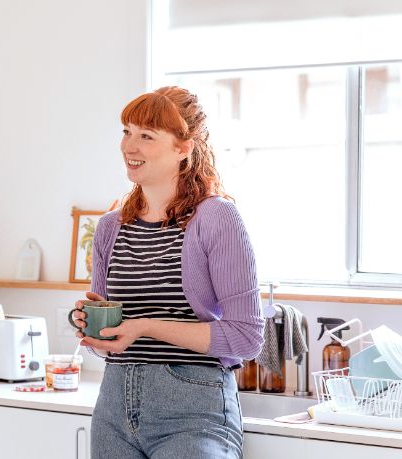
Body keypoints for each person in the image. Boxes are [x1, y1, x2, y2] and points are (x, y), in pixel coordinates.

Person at [71, 86, 264, 459]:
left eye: (146, 136)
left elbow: (246, 337)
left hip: (191, 409)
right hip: (113, 407)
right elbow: (109, 340)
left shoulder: (216, 219)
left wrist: (144, 326)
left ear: (183, 148)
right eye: (126, 131)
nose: (130, 146)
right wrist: (88, 322)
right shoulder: (111, 227)